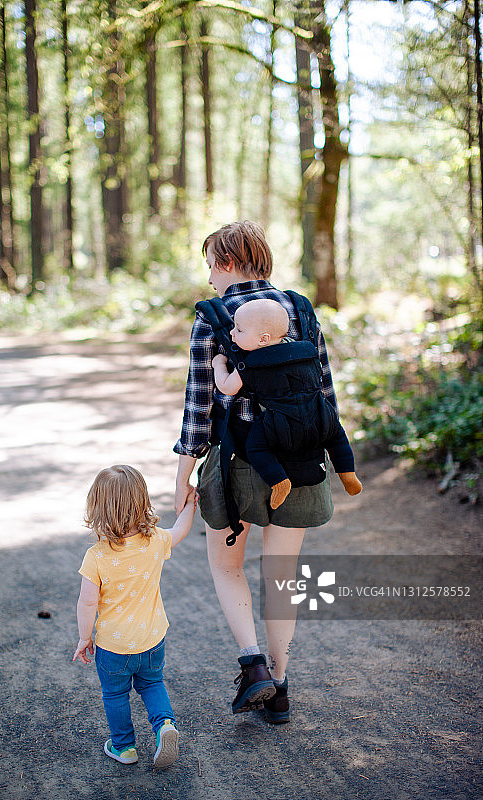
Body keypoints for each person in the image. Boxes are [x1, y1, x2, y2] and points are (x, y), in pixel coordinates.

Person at [174, 220, 356, 724]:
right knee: (282, 577)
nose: (210, 277)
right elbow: (324, 395)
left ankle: (252, 665)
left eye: (211, 264)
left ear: (228, 263)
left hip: (237, 467)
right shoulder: (299, 308)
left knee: (227, 567)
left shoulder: (213, 316)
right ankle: (280, 687)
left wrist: (184, 472)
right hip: (299, 467)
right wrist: (331, 458)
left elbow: (200, 403)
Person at [73, 465, 197, 768]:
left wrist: (84, 638)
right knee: (153, 684)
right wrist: (191, 504)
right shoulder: (154, 540)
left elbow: (87, 604)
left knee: (115, 695)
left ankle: (124, 747)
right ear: (142, 502)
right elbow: (180, 530)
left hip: (114, 647)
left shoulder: (97, 556)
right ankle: (164, 725)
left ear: (98, 508)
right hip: (152, 638)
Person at [212, 297, 362, 510]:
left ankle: (279, 481)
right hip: (319, 412)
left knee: (255, 447)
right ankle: (348, 473)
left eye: (239, 329)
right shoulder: (305, 351)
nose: (232, 333)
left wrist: (219, 364)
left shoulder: (251, 364)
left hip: (279, 422)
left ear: (263, 339)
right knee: (336, 436)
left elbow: (226, 387)